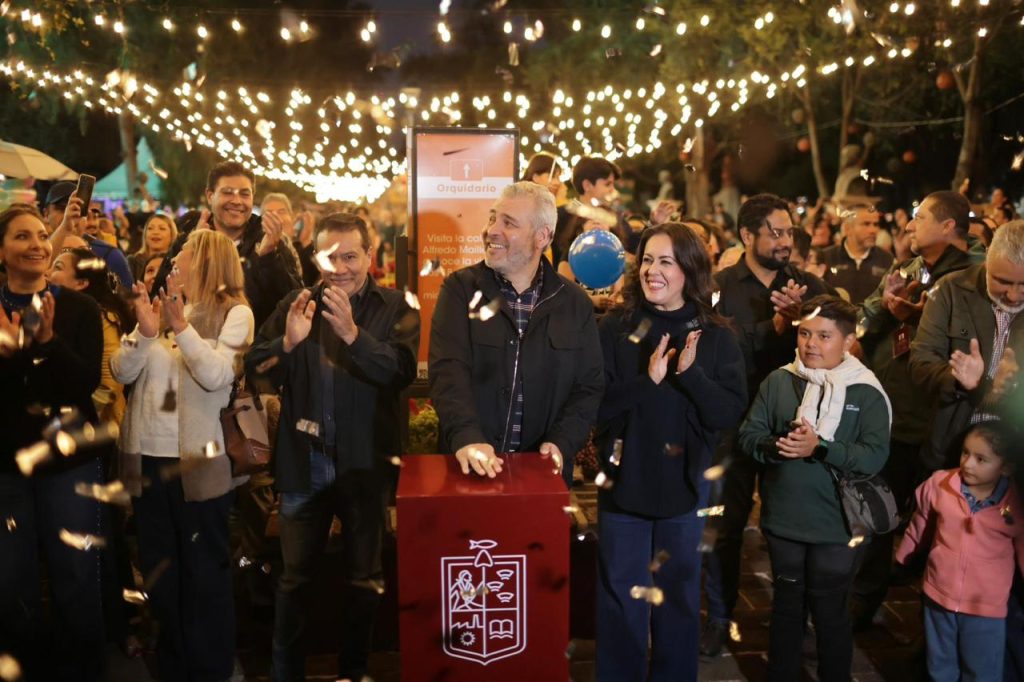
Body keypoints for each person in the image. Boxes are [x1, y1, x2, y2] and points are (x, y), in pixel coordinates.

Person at [245, 212, 419, 682]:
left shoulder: (396, 306)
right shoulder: (296, 303)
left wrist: (353, 337)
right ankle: (286, 674)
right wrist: (286, 343)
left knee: (364, 579)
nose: (340, 268)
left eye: (350, 256)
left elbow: (401, 372)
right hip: (306, 465)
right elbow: (255, 368)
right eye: (329, 257)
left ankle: (353, 671)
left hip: (364, 467)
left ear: (370, 256)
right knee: (294, 581)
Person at [594, 223, 746, 680]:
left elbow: (727, 413)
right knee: (622, 601)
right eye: (646, 260)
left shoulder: (716, 336)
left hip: (686, 490)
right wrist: (649, 381)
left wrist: (690, 375)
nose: (651, 271)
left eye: (665, 261)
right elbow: (595, 405)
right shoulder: (614, 328)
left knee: (678, 601)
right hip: (623, 486)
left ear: (689, 270)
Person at [111, 229, 254, 681]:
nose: (174, 263)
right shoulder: (161, 307)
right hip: (147, 461)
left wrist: (182, 329)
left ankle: (211, 668)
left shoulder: (236, 314)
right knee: (161, 575)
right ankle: (173, 667)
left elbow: (217, 376)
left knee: (204, 573)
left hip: (198, 465)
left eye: (183, 256)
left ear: (207, 262)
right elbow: (120, 371)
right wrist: (144, 332)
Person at [701, 193, 834, 656]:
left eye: (789, 232)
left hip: (794, 428)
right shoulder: (719, 286)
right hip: (734, 426)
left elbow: (836, 346)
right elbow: (719, 353)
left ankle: (794, 618)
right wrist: (774, 326)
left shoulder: (808, 285)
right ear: (747, 235)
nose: (784, 241)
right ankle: (719, 616)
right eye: (775, 232)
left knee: (791, 529)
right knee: (726, 525)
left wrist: (805, 323)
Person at [739, 295, 891, 681]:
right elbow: (749, 435)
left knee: (830, 612)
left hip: (836, 526)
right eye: (805, 333)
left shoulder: (866, 391)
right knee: (786, 607)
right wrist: (779, 445)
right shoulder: (779, 380)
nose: (811, 344)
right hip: (784, 519)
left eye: (824, 336)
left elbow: (873, 456)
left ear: (849, 340)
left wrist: (819, 447)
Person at [850, 189, 975, 628]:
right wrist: (886, 310)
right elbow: (867, 315)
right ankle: (861, 606)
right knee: (876, 516)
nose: (909, 225)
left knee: (938, 527)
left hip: (941, 423)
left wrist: (922, 316)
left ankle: (931, 630)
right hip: (893, 413)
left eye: (920, 218)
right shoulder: (907, 268)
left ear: (948, 226)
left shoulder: (973, 278)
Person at [428, 181, 603, 487]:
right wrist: (467, 436)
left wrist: (561, 443)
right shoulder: (459, 289)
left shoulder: (574, 303)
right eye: (492, 218)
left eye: (508, 223)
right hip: (469, 469)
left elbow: (588, 387)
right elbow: (448, 371)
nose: (492, 230)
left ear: (542, 236)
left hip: (543, 478)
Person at [0, 204, 106, 681]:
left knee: (76, 576)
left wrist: (46, 342)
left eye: (42, 235)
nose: (38, 245)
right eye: (22, 236)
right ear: (2, 251)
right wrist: (16, 354)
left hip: (70, 463)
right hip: (7, 464)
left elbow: (82, 386)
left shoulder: (80, 308)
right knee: (11, 582)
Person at [896, 421, 1024, 682]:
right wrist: (905, 554)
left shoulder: (1015, 504)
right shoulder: (940, 484)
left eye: (981, 459)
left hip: (985, 606)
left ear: (1006, 467)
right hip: (938, 594)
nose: (968, 464)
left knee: (982, 670)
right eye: (966, 453)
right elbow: (921, 521)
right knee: (940, 665)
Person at [910, 219, 1024, 470]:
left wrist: (1014, 386)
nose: (1013, 295)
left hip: (1016, 456)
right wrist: (960, 380)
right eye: (1003, 281)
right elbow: (921, 362)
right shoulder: (950, 289)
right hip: (949, 449)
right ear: (987, 261)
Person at [152, 161, 302, 330]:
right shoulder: (188, 236)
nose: (237, 201)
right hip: (187, 339)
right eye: (228, 193)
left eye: (245, 194)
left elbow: (294, 303)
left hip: (254, 342)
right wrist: (194, 253)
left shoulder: (270, 238)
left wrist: (268, 259)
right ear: (210, 195)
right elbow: (159, 296)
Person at [46, 182, 134, 288]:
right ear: (46, 214)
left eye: (78, 209)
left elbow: (127, 296)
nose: (69, 214)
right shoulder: (36, 253)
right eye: (62, 208)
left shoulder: (109, 254)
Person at [552, 156, 621, 266]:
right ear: (587, 185)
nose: (613, 189)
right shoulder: (560, 216)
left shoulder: (614, 218)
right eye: (608, 184)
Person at [820, 204, 894, 304]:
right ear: (848, 228)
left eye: (876, 224)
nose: (873, 230)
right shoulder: (826, 257)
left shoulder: (887, 259)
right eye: (866, 224)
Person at [127, 213, 178, 283]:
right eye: (150, 228)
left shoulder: (176, 262)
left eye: (162, 228)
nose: (155, 232)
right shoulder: (133, 262)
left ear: (172, 234)